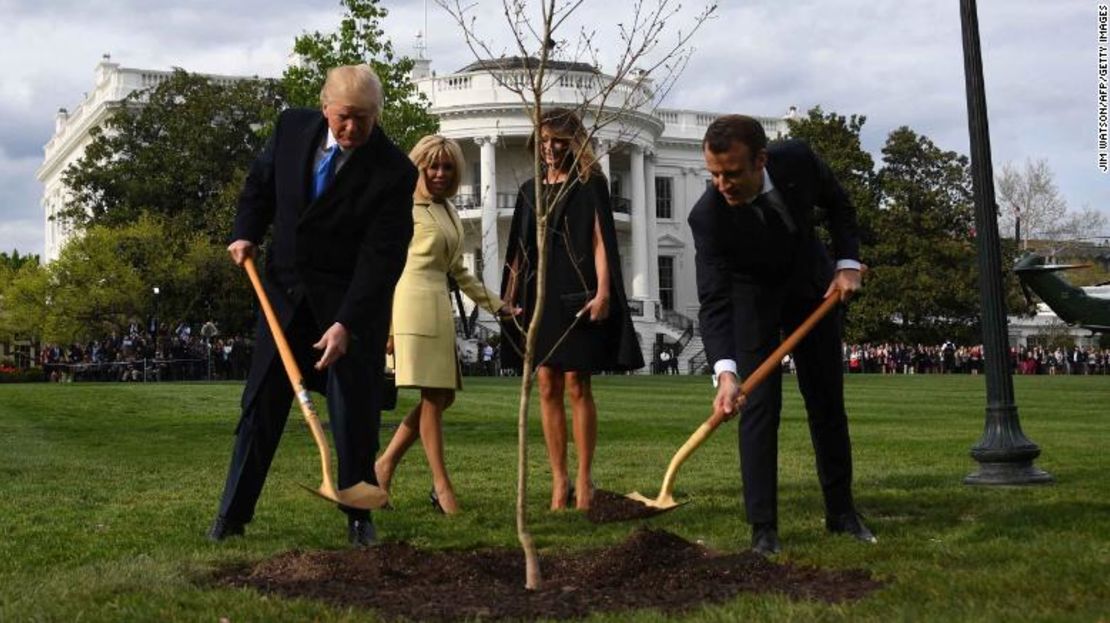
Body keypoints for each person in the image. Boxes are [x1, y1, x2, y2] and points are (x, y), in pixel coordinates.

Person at [208, 64, 417, 547]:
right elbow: (259, 186)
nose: (352, 128)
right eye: (344, 117)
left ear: (377, 114)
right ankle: (231, 516)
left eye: (364, 119)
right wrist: (245, 231)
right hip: (282, 297)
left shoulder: (394, 171)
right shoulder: (291, 128)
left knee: (355, 415)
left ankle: (359, 516)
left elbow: (382, 259)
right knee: (260, 406)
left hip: (348, 305)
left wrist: (347, 322)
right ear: (325, 108)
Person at [688, 114, 873, 556]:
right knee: (758, 407)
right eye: (713, 174)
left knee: (826, 401)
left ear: (761, 161)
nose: (722, 184)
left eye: (732, 173)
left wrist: (846, 262)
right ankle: (763, 528)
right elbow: (714, 301)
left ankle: (842, 513)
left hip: (812, 288)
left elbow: (840, 207)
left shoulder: (799, 161)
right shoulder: (708, 217)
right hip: (752, 298)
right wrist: (726, 373)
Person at [500, 108, 643, 511]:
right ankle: (559, 482)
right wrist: (509, 298)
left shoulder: (589, 184)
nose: (549, 148)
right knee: (547, 383)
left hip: (576, 290)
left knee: (578, 383)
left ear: (573, 141)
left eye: (557, 140)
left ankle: (584, 479)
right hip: (538, 294)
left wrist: (603, 293)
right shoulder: (530, 191)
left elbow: (601, 241)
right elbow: (518, 250)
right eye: (543, 140)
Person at [374, 135, 513, 515]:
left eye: (447, 167)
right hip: (409, 305)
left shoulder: (447, 210)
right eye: (431, 166)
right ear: (417, 166)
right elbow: (383, 267)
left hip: (438, 308)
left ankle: (383, 466)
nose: (438, 173)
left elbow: (458, 272)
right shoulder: (403, 207)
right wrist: (385, 327)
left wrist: (498, 305)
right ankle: (441, 486)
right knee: (434, 397)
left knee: (443, 397)